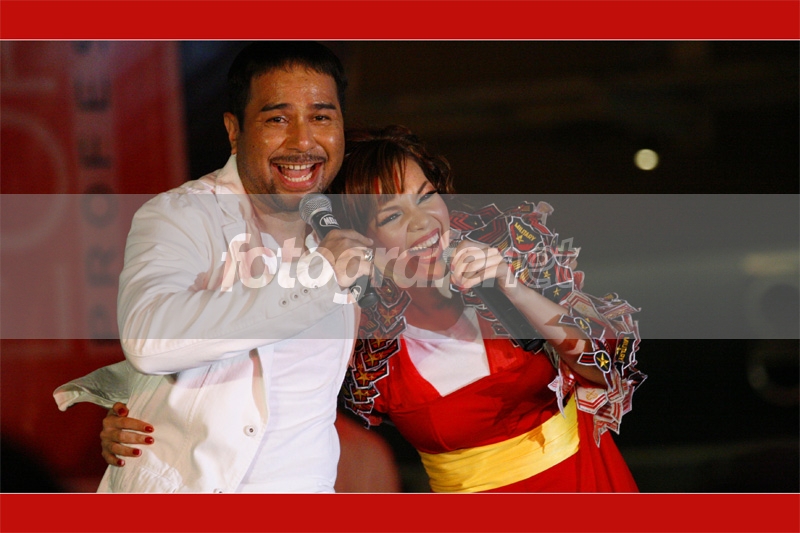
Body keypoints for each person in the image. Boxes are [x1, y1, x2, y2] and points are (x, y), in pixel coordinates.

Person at [95, 125, 647, 492]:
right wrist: (137, 418)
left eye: (426, 196)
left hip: (595, 488)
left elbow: (607, 369)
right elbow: (243, 371)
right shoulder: (357, 337)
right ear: (360, 238)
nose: (424, 223)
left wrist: (513, 287)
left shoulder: (506, 267)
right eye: (391, 215)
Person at [53, 41, 378, 493]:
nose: (303, 141)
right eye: (277, 119)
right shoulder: (181, 215)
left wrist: (135, 397)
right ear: (234, 130)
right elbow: (151, 338)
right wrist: (318, 279)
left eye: (321, 118)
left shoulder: (346, 229)